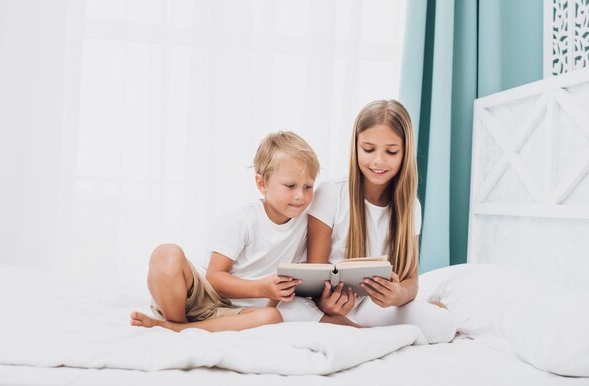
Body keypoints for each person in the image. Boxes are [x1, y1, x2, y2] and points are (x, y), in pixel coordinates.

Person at [277, 100, 456, 344]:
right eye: (369, 149)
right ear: (356, 147)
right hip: (326, 307)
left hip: (372, 306)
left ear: (405, 152)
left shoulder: (411, 206)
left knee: (444, 327)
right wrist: (326, 303)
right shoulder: (331, 194)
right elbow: (314, 272)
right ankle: (365, 334)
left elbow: (411, 280)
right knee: (286, 310)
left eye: (391, 152)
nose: (378, 161)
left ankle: (358, 333)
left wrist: (398, 295)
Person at [130, 131, 320, 332]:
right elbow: (215, 278)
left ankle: (177, 329)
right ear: (262, 184)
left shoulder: (307, 226)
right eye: (290, 186)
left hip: (236, 313)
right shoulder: (243, 221)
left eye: (308, 186)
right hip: (201, 298)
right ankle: (177, 323)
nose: (300, 195)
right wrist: (262, 288)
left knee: (272, 316)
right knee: (165, 254)